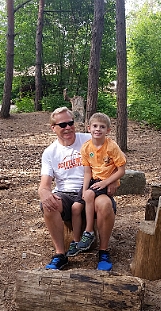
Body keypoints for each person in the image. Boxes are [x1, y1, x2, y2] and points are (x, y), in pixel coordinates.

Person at [38, 107, 119, 271]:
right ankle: (60, 254)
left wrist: (113, 181)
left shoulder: (90, 139)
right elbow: (44, 185)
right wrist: (44, 194)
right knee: (49, 204)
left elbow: (116, 160)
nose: (67, 127)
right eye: (62, 125)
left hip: (95, 188)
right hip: (66, 194)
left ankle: (103, 252)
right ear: (53, 128)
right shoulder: (50, 153)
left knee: (105, 205)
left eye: (70, 123)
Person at [67, 113, 126, 265]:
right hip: (92, 181)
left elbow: (121, 170)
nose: (98, 129)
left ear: (108, 130)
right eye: (95, 126)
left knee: (91, 196)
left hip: (103, 182)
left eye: (102, 127)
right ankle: (76, 241)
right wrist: (85, 189)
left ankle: (89, 232)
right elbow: (87, 172)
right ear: (89, 128)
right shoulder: (86, 147)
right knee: (75, 207)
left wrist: (106, 182)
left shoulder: (111, 146)